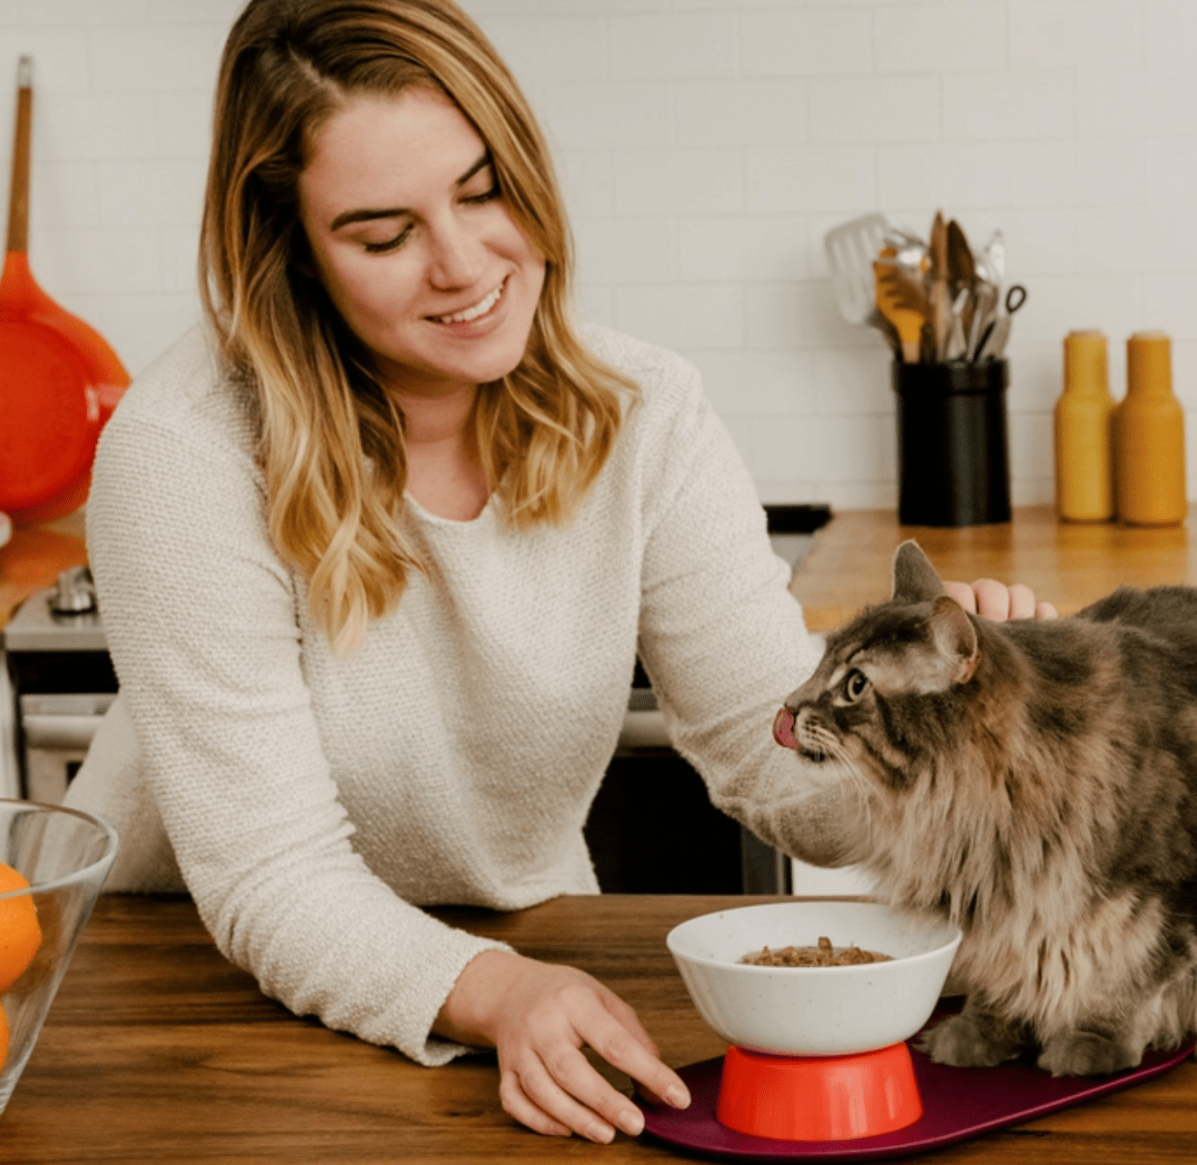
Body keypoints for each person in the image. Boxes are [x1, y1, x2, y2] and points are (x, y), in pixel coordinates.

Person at [65, 0, 1053, 1145]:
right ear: (288, 249)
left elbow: (761, 744)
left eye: (482, 191)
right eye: (382, 236)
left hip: (523, 962)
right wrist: (494, 991)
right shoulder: (183, 451)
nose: (463, 264)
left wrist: (950, 740)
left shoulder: (643, 415)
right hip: (183, 997)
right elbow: (270, 875)